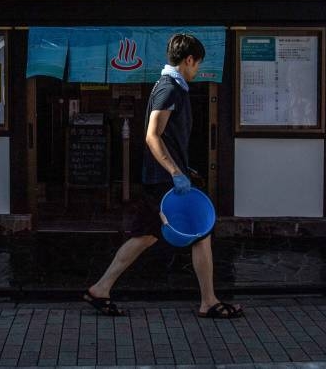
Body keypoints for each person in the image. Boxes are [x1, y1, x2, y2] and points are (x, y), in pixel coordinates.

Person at [82, 33, 244, 319]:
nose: (197, 70)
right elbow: (152, 136)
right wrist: (175, 173)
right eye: (197, 64)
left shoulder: (172, 87)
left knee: (145, 235)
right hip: (164, 181)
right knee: (200, 232)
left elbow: (167, 138)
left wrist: (184, 168)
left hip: (163, 177)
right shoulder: (169, 88)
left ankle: (100, 288)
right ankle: (208, 301)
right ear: (189, 60)